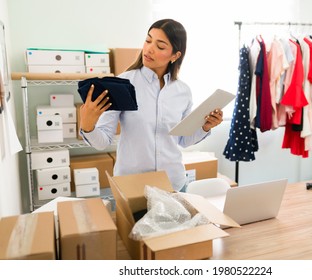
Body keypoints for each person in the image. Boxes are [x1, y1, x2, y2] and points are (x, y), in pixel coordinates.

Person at [79, 19, 223, 192]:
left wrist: (206, 127)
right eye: (148, 41)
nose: (149, 49)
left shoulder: (182, 91)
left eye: (160, 46)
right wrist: (88, 126)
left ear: (175, 55)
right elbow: (103, 142)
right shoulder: (123, 84)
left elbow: (182, 140)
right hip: (132, 187)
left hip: (173, 184)